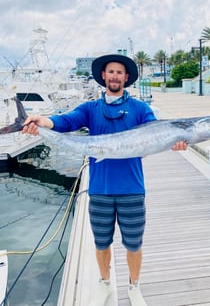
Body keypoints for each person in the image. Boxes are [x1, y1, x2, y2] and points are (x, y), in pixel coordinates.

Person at [22, 54, 187, 306]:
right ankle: (105, 283)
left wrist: (173, 141)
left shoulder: (141, 109)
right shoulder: (90, 109)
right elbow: (66, 121)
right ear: (103, 76)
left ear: (126, 77)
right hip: (99, 190)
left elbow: (156, 135)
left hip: (132, 189)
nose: (114, 76)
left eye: (119, 72)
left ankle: (134, 287)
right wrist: (42, 121)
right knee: (102, 243)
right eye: (110, 71)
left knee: (134, 244)